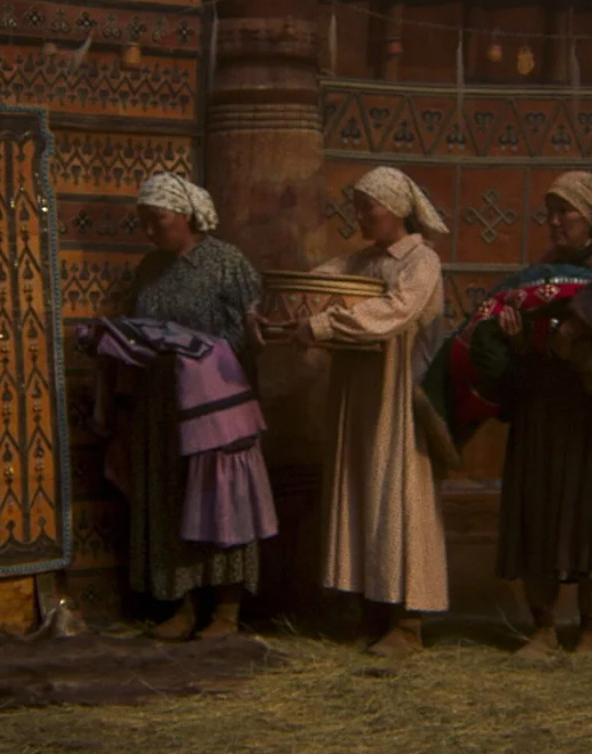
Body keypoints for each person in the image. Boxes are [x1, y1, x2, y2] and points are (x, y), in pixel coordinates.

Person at [290, 166, 449, 658]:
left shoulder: (421, 261)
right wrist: (281, 308)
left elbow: (395, 311)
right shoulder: (360, 261)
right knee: (362, 491)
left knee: (397, 494)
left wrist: (323, 325)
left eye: (368, 207)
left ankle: (408, 623)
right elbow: (312, 283)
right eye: (356, 207)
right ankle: (372, 611)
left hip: (398, 396)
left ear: (396, 209)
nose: (359, 216)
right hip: (358, 395)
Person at [492, 171, 592, 659]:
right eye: (549, 212)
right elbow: (530, 329)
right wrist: (516, 333)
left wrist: (573, 325)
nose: (555, 221)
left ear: (590, 214)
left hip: (591, 410)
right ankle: (544, 629)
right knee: (539, 509)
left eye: (565, 211)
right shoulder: (544, 268)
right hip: (542, 406)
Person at [118, 172, 267, 641]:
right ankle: (181, 605)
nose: (150, 232)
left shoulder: (227, 263)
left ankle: (225, 611)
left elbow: (250, 334)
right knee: (171, 498)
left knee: (221, 499)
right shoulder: (150, 268)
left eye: (157, 220)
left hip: (215, 402)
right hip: (163, 404)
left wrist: (196, 352)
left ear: (185, 215)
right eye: (144, 222)